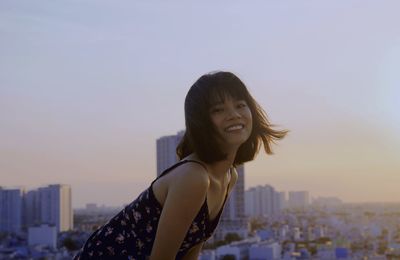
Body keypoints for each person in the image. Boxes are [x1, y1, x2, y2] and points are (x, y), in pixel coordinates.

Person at [74, 71, 287, 259]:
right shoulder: (193, 176)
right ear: (201, 122)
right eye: (218, 110)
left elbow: (190, 250)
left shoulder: (229, 177)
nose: (234, 114)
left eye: (240, 105)